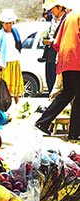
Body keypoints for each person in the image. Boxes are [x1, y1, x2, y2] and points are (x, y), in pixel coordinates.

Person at [35, 6, 79, 141]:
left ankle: (43, 122)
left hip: (66, 59)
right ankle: (75, 132)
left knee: (67, 93)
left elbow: (56, 42)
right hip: (77, 59)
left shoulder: (70, 16)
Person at [0, 9, 24, 105]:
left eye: (10, 23)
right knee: (3, 87)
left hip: (14, 62)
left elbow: (18, 45)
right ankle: (2, 106)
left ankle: (17, 105)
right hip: (4, 64)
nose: (9, 25)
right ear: (2, 23)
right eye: (6, 23)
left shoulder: (15, 32)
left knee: (15, 86)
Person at [40, 0, 67, 93]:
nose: (51, 11)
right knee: (49, 78)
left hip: (59, 54)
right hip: (50, 54)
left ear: (59, 8)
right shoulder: (52, 19)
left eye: (53, 9)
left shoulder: (66, 19)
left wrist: (53, 42)